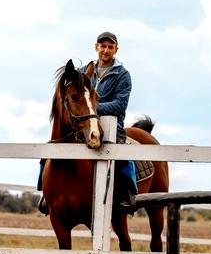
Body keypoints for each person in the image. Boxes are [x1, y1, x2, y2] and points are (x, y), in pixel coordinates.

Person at [37, 31, 137, 214]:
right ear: (96, 47)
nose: (106, 50)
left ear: (116, 49)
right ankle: (46, 193)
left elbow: (120, 105)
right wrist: (84, 111)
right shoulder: (83, 73)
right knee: (52, 147)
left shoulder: (122, 75)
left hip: (111, 122)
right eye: (103, 46)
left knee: (122, 155)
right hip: (81, 122)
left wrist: (92, 108)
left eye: (110, 47)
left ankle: (127, 193)